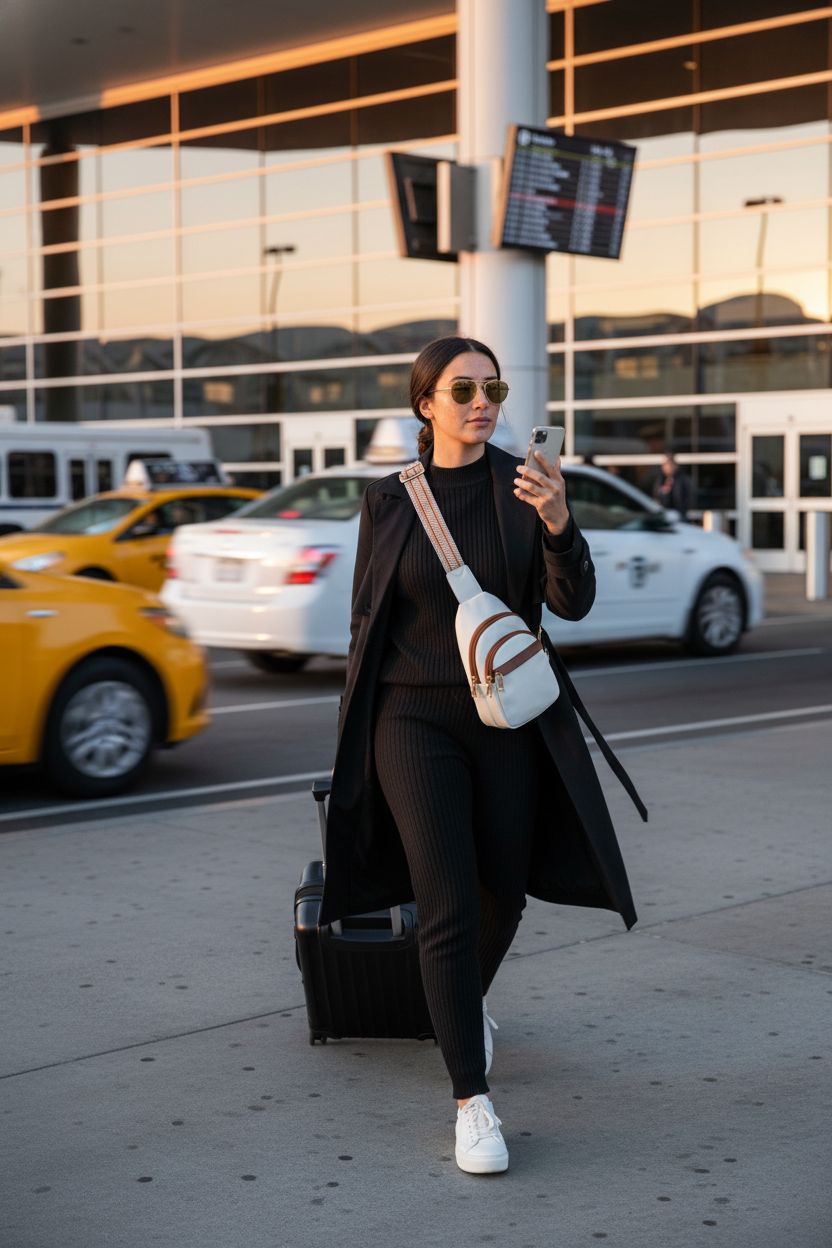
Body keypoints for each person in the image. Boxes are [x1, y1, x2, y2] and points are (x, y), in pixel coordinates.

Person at [319, 335, 643, 1176]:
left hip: (506, 718)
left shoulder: (522, 488)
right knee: (449, 900)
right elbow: (366, 624)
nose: (481, 403)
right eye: (461, 389)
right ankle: (472, 1099)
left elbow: (572, 604)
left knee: (505, 893)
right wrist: (353, 736)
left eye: (491, 388)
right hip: (411, 720)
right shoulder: (389, 499)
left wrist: (559, 522)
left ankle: (462, 1003)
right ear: (425, 404)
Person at [652, 453, 693, 519]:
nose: (667, 467)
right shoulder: (660, 479)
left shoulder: (682, 479)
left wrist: (682, 511)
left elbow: (688, 497)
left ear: (675, 466)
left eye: (669, 465)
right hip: (663, 513)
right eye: (665, 465)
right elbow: (656, 495)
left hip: (679, 514)